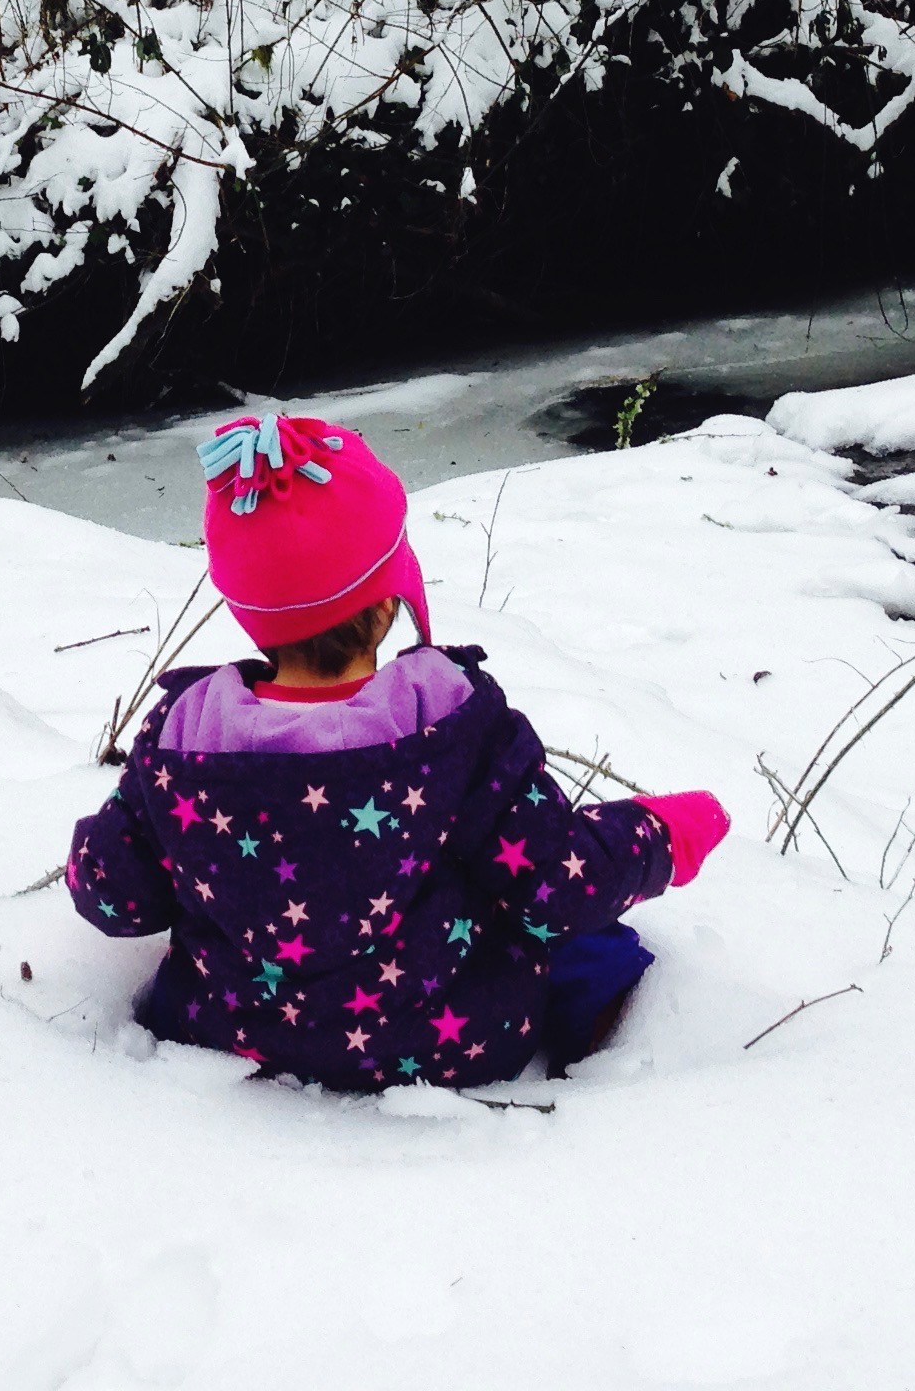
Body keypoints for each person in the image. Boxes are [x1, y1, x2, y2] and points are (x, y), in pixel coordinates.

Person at [66, 411, 728, 1089]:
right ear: (386, 605)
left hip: (228, 1032)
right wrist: (660, 834)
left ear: (245, 608)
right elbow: (559, 880)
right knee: (583, 937)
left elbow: (115, 897)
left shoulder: (185, 737)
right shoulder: (447, 721)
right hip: (452, 1042)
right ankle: (602, 1052)